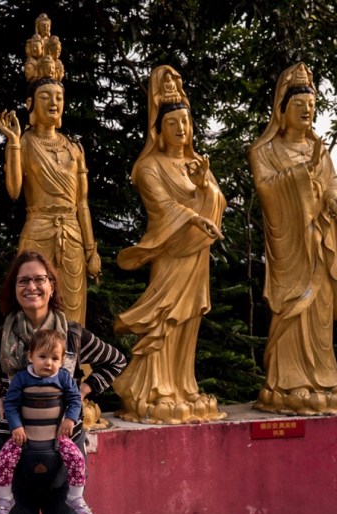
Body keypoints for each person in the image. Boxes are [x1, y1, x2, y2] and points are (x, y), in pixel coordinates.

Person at [0, 249, 126, 514]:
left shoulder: (72, 336)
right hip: (14, 451)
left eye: (39, 279)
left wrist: (84, 390)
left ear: (52, 286)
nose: (31, 287)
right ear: (14, 289)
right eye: (23, 281)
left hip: (64, 453)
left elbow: (115, 361)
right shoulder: (0, 338)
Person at [113, 66, 226, 425]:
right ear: (158, 129)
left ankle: (183, 385)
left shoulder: (197, 164)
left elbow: (217, 199)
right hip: (170, 252)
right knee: (165, 319)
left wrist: (204, 187)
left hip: (196, 254)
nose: (181, 129)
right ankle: (156, 388)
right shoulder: (149, 165)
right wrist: (193, 216)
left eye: (185, 122)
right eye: (173, 122)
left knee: (189, 319)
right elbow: (161, 207)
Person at [248, 62, 337, 415]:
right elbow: (267, 193)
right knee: (293, 309)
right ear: (282, 109)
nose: (307, 111)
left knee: (320, 310)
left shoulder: (320, 151)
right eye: (299, 105)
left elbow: (332, 187)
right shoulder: (263, 151)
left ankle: (324, 378)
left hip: (320, 243)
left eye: (311, 106)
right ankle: (288, 382)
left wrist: (333, 202)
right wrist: (300, 174)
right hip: (291, 247)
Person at [0, 14, 100, 326]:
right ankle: (34, 369)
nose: (53, 103)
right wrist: (12, 142)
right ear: (30, 103)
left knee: (73, 311)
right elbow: (14, 191)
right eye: (45, 97)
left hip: (72, 234)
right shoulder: (25, 143)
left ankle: (73, 369)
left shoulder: (73, 148)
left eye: (58, 97)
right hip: (38, 228)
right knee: (34, 305)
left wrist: (91, 250)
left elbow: (82, 203)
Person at [0, 329, 92, 514]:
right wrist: (15, 427)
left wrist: (70, 419)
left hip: (56, 436)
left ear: (62, 361)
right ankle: (5, 499)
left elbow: (75, 400)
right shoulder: (21, 378)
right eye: (42, 357)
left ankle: (75, 497)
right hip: (24, 435)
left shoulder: (63, 378)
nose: (48, 363)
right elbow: (10, 404)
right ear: (31, 356)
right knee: (3, 460)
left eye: (55, 358)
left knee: (77, 459)